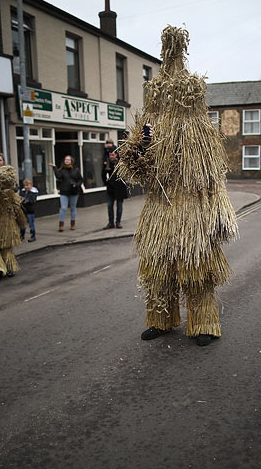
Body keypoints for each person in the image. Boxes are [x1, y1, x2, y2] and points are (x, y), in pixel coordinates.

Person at [116, 26, 238, 347]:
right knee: (157, 273)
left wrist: (219, 215)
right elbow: (140, 172)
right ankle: (161, 319)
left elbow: (213, 179)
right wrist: (139, 148)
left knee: (196, 272)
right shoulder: (149, 128)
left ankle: (204, 324)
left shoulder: (200, 134)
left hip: (192, 213)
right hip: (158, 212)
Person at [49, 155, 83, 231]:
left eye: (68, 160)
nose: (67, 161)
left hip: (74, 191)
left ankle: (72, 224)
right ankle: (61, 225)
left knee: (73, 208)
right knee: (63, 208)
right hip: (64, 191)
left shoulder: (76, 170)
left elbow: (80, 180)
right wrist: (54, 168)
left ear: (71, 161)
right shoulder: (62, 170)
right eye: (65, 159)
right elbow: (58, 176)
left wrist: (76, 185)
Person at [102, 150, 128, 229]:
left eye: (113, 155)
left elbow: (125, 174)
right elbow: (103, 174)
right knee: (110, 205)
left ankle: (118, 222)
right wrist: (106, 183)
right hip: (110, 188)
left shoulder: (121, 163)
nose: (111, 156)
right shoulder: (107, 164)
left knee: (119, 206)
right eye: (110, 155)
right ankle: (110, 222)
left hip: (119, 188)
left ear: (116, 155)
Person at [19, 178, 38, 242]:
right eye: (25, 185)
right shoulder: (22, 192)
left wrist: (25, 200)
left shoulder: (33, 193)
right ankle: (21, 235)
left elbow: (33, 201)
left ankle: (33, 236)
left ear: (31, 185)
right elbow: (20, 198)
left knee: (31, 223)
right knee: (22, 223)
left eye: (27, 185)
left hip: (30, 210)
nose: (26, 187)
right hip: (23, 210)